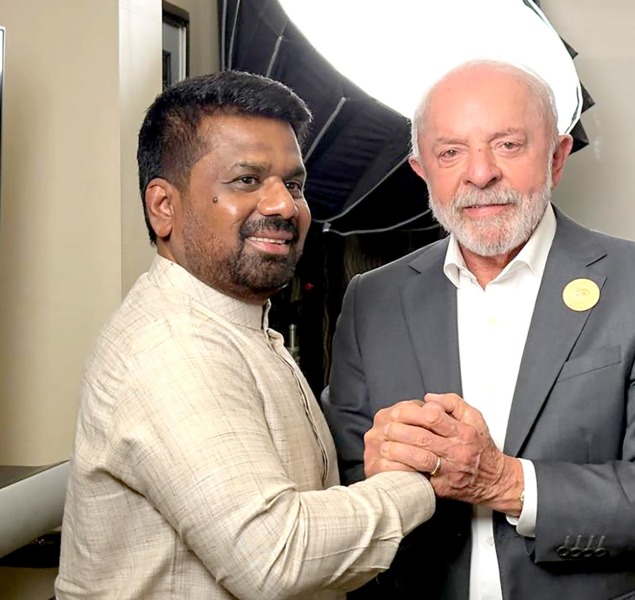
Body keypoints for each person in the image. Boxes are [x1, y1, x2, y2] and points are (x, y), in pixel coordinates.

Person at [325, 60, 635, 599]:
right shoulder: (372, 300)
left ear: (557, 157)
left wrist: (503, 481)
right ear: (422, 171)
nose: (480, 173)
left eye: (508, 145)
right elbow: (343, 482)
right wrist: (384, 477)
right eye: (450, 152)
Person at [55, 71, 435, 600]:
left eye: (293, 184)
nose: (284, 206)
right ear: (163, 207)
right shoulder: (174, 346)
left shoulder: (235, 325)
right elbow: (276, 558)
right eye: (247, 180)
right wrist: (425, 478)